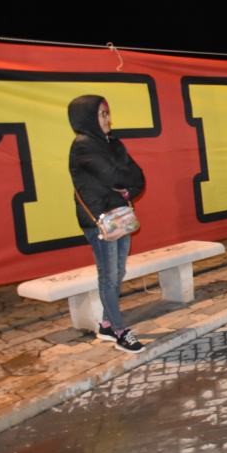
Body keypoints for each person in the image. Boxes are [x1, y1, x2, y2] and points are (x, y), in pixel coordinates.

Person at [68, 95, 145, 354]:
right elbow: (113, 174)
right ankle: (118, 331)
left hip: (120, 216)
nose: (108, 119)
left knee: (118, 272)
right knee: (109, 276)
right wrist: (121, 182)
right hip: (100, 220)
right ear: (88, 118)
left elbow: (138, 177)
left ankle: (106, 324)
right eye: (102, 114)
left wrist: (125, 186)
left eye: (107, 113)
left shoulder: (113, 143)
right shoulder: (83, 146)